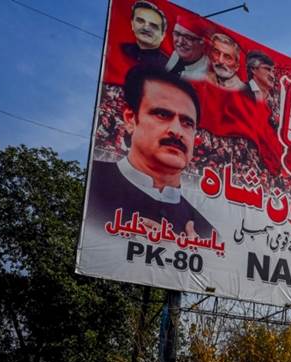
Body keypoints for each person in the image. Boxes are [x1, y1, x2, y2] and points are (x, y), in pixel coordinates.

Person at [88, 66, 212, 238]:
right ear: (131, 119)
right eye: (162, 114)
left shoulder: (206, 233)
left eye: (187, 123)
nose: (177, 131)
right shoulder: (91, 186)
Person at [120, 1, 169, 69]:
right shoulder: (122, 49)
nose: (146, 28)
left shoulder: (167, 66)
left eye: (153, 26)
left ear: (162, 35)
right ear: (132, 24)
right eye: (140, 21)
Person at [165, 15, 210, 81]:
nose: (180, 42)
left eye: (188, 37)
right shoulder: (165, 55)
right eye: (177, 34)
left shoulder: (207, 73)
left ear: (202, 43)